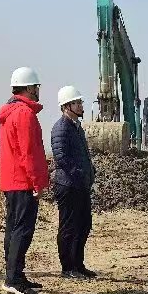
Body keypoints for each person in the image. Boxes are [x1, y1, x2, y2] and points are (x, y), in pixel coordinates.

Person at [0, 67, 50, 294]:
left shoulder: (10, 112)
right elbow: (29, 152)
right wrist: (37, 182)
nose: (38, 91)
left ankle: (15, 273)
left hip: (12, 180)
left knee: (13, 228)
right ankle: (14, 279)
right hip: (23, 181)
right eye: (36, 87)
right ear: (29, 87)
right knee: (22, 230)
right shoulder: (24, 113)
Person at [51, 86, 96, 279]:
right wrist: (78, 174)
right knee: (69, 227)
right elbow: (61, 157)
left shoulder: (76, 127)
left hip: (80, 185)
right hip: (68, 186)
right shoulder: (61, 128)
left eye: (80, 102)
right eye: (76, 103)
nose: (80, 105)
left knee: (83, 225)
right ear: (66, 106)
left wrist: (89, 172)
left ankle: (78, 265)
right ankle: (68, 267)